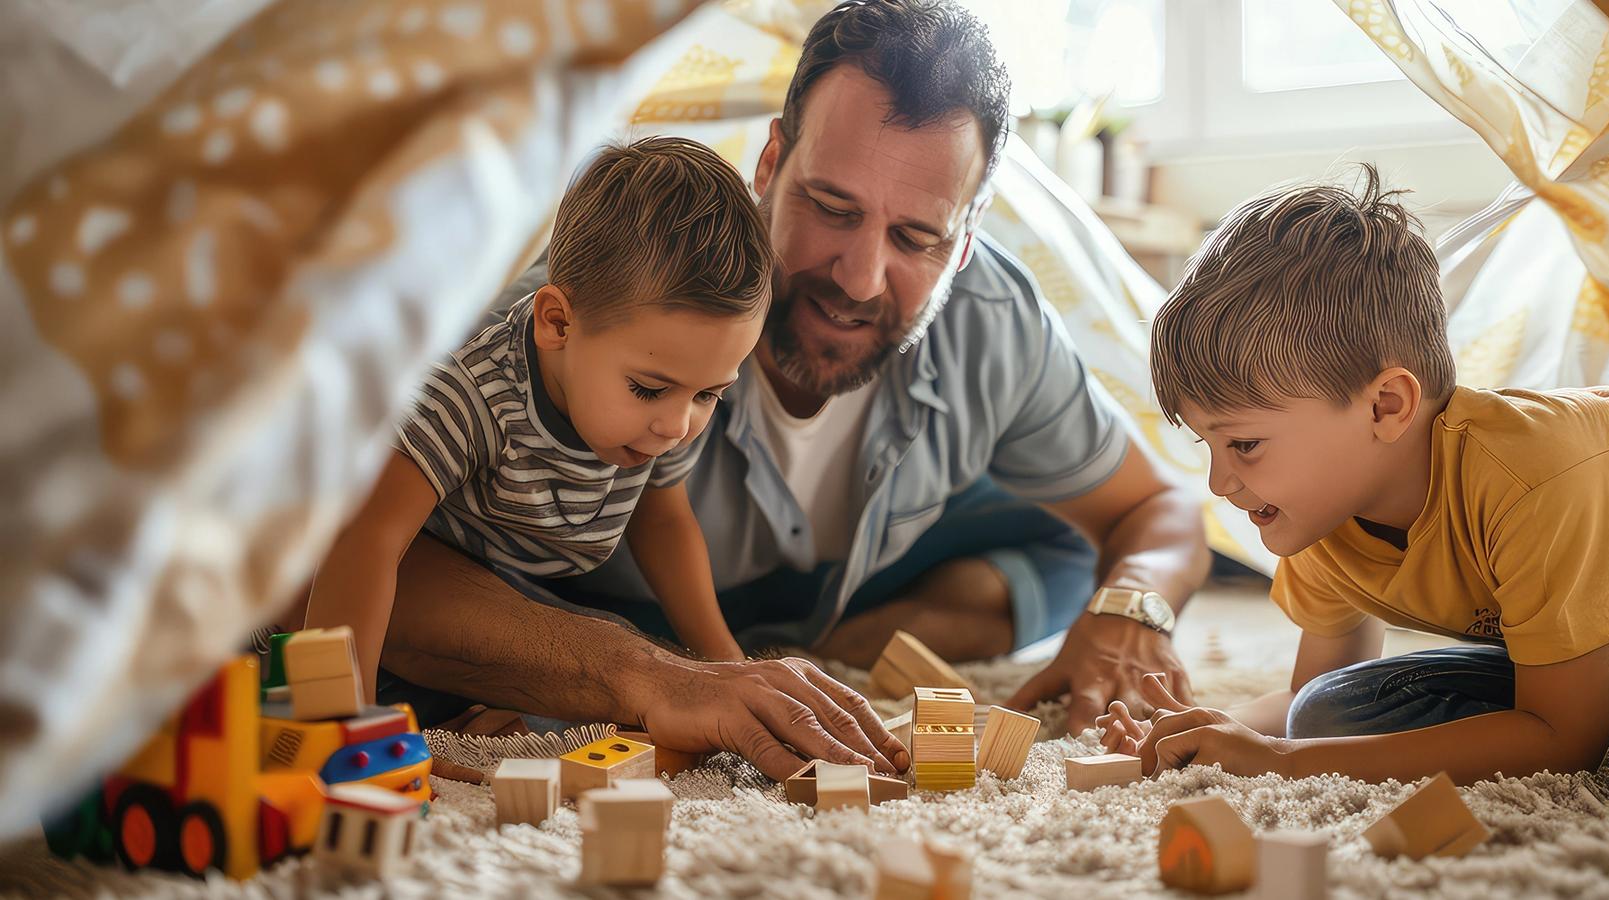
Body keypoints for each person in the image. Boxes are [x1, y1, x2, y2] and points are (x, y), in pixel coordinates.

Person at [376, 0, 1215, 768]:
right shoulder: (600, 309)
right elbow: (352, 557)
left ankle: (823, 638)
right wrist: (639, 672)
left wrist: (1132, 613)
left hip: (876, 569)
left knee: (1068, 552)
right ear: (771, 164)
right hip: (574, 582)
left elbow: (1162, 509)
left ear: (964, 243)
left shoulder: (995, 317)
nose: (859, 278)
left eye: (917, 237)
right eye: (832, 207)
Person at [1098, 166, 1609, 806]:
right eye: (1210, 445)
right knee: (1328, 713)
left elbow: (1564, 739)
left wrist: (1280, 762)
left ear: (1387, 406)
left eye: (1244, 443)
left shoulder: (1540, 472)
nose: (1222, 482)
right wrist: (1213, 729)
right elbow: (1304, 698)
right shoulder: (1316, 505)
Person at [305, 136, 765, 701]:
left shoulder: (673, 403)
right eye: (648, 389)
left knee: (622, 653)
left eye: (710, 395)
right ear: (557, 324)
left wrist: (726, 663)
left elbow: (664, 522)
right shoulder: (470, 394)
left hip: (503, 585)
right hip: (359, 578)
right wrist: (340, 718)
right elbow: (368, 540)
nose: (677, 426)